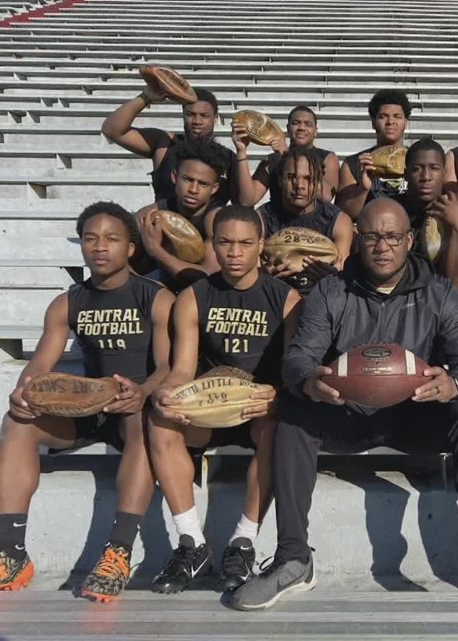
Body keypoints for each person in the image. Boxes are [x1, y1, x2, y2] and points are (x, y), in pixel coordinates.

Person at [231, 198, 458, 612]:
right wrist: (309, 381)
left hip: (415, 411)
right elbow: (298, 357)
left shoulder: (439, 292)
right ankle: (293, 558)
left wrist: (454, 383)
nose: (383, 246)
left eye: (393, 236)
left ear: (409, 240)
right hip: (348, 411)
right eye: (373, 236)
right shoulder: (331, 290)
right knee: (294, 411)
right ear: (358, 241)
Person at [0, 202, 175, 604]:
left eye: (112, 239)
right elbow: (39, 367)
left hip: (135, 404)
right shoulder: (68, 302)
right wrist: (23, 394)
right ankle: (8, 553)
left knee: (141, 420)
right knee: (17, 422)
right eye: (91, 238)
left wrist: (145, 390)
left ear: (131, 248)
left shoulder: (155, 297)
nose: (100, 247)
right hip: (86, 403)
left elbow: (172, 365)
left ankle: (117, 551)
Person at [149, 206, 302, 593]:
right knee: (159, 417)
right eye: (226, 243)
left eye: (245, 244)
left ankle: (242, 542)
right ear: (212, 245)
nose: (235, 252)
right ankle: (191, 542)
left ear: (261, 245)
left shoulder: (285, 298)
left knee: (277, 425)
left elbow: (293, 372)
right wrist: (170, 392)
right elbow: (183, 368)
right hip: (210, 405)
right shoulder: (194, 296)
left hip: (255, 410)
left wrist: (277, 396)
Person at [102, 84, 236, 207]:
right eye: (190, 114)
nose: (197, 121)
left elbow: (246, 200)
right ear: (183, 115)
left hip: (209, 231)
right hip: (163, 227)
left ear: (215, 118)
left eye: (204, 115)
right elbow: (112, 130)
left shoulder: (228, 157)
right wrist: (146, 97)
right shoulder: (164, 143)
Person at [133, 138, 232, 289]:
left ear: (214, 188)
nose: (193, 189)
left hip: (202, 296)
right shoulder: (148, 215)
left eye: (203, 184)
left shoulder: (216, 221)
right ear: (175, 177)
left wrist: (157, 251)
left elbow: (206, 276)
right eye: (187, 179)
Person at [256, 146, 354, 293]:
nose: (299, 186)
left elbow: (341, 269)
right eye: (291, 177)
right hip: (274, 296)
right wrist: (263, 274)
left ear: (318, 182)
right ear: (280, 180)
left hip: (320, 299)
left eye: (308, 179)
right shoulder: (262, 217)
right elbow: (250, 270)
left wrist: (331, 276)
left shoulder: (338, 221)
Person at [336, 89, 419, 219]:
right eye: (383, 116)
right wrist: (363, 189)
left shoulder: (418, 159)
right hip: (370, 232)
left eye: (397, 116)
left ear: (405, 122)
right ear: (373, 122)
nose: (390, 121)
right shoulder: (354, 163)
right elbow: (344, 215)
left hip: (410, 230)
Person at [233, 106, 341, 206]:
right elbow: (247, 200)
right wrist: (241, 151)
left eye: (308, 124)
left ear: (315, 131)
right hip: (277, 221)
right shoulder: (272, 161)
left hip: (315, 222)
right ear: (288, 128)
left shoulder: (327, 157)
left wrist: (288, 156)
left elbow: (326, 196)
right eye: (296, 123)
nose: (301, 128)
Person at [400, 139, 458, 286]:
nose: (426, 177)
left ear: (444, 173)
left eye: (434, 168)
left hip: (439, 292)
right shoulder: (393, 210)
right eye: (417, 169)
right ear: (405, 174)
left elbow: (456, 278)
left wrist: (456, 227)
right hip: (398, 289)